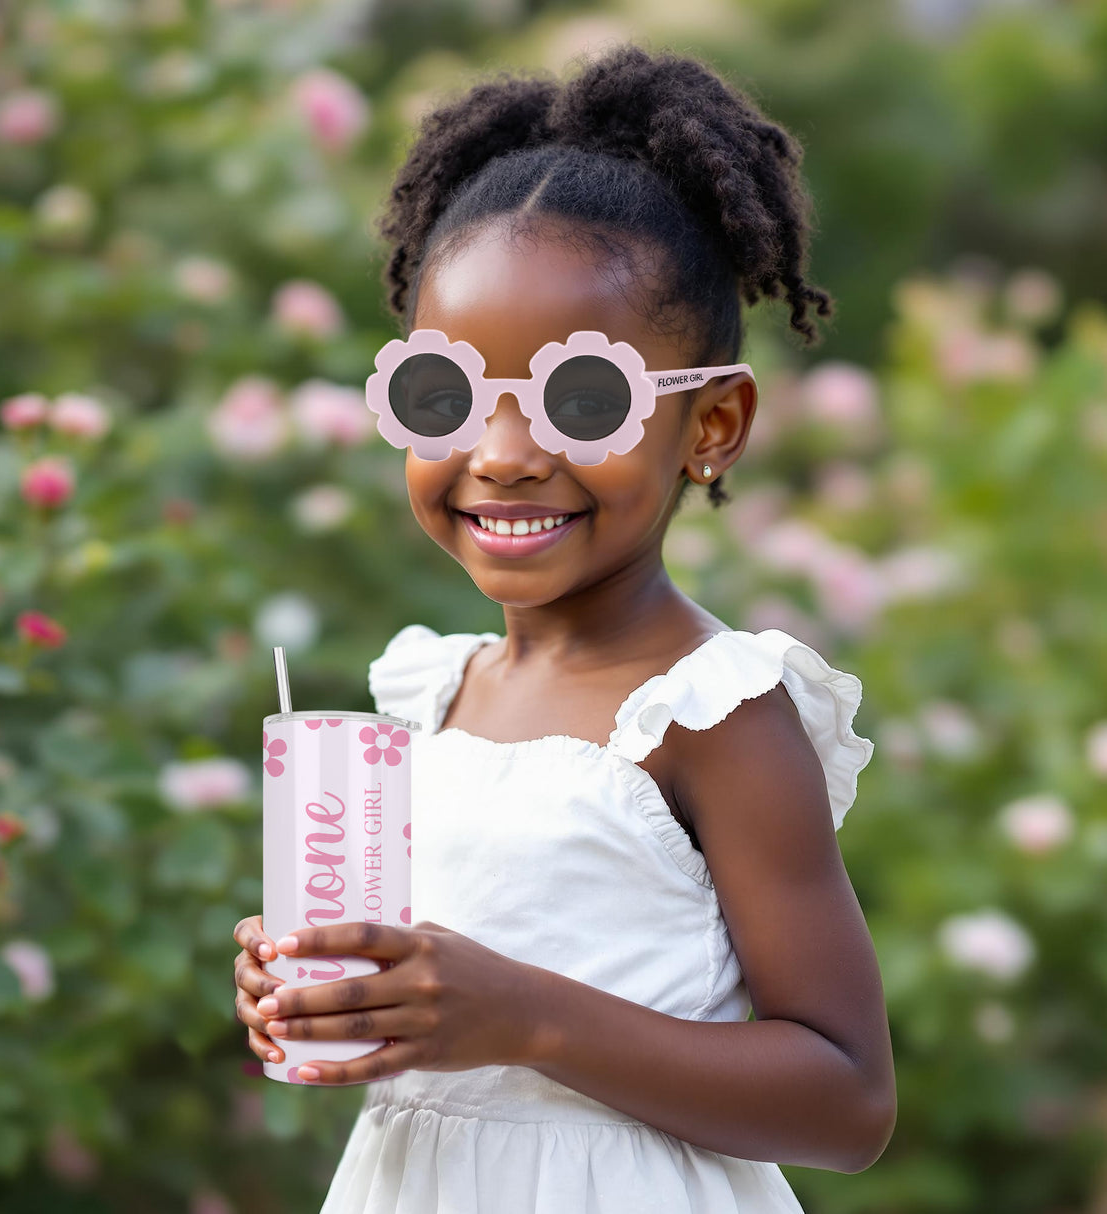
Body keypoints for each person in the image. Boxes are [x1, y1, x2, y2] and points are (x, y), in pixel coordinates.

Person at [233, 41, 896, 1212]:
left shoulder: (710, 708)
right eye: (444, 395)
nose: (501, 451)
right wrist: (343, 993)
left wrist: (523, 1014)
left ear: (710, 425)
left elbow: (844, 1097)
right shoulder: (433, 694)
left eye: (581, 399)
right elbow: (444, 985)